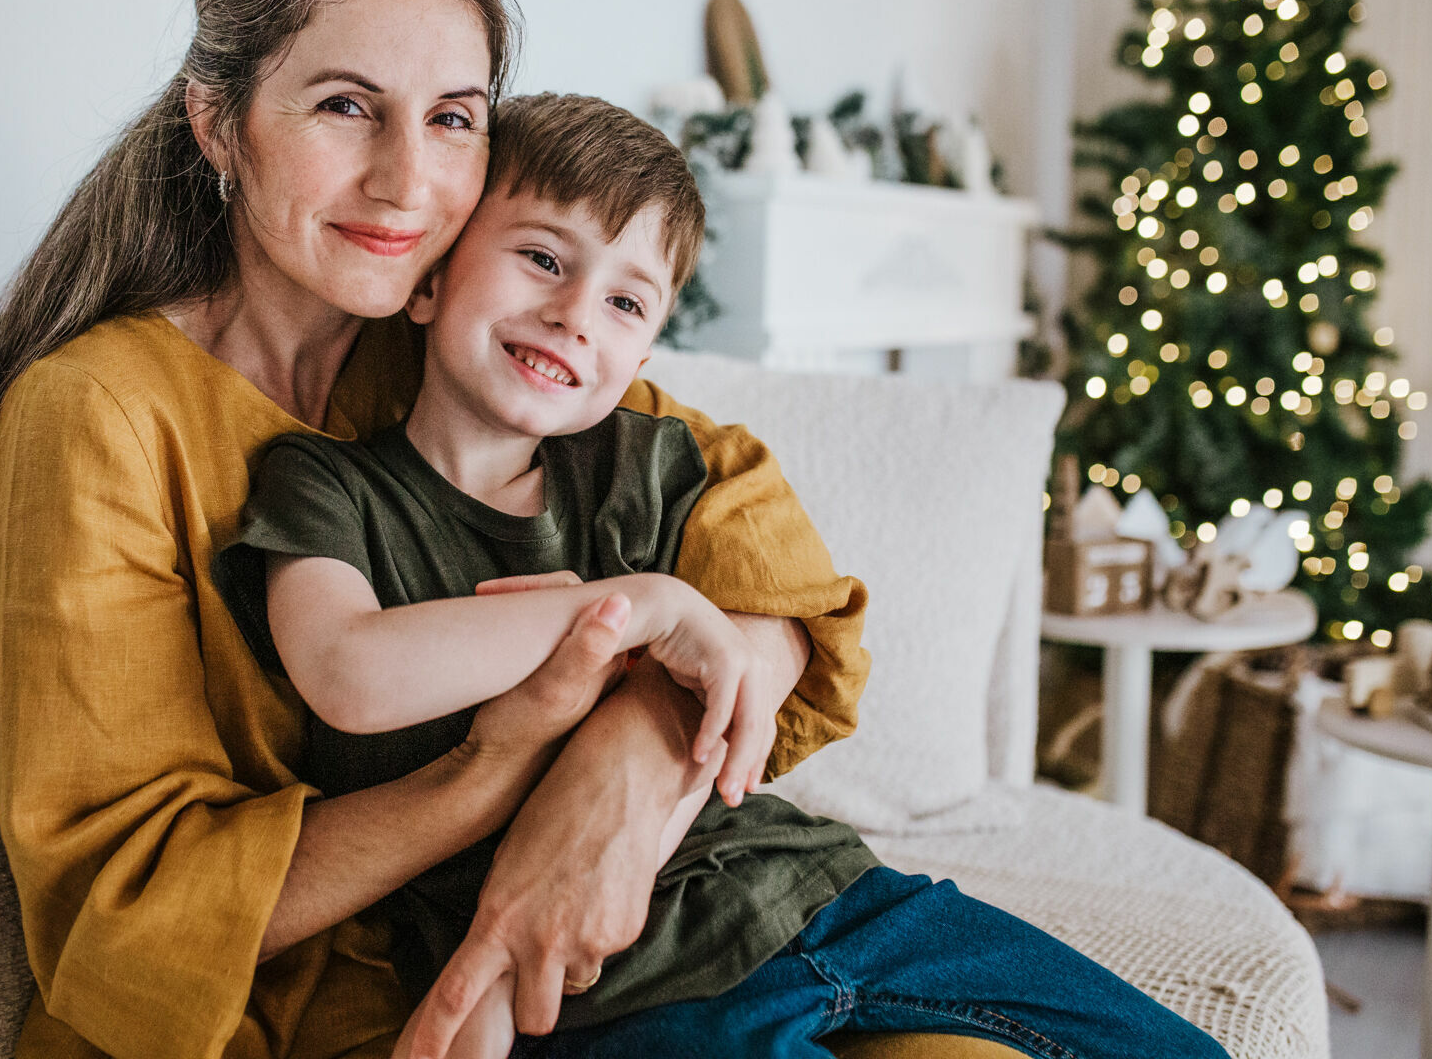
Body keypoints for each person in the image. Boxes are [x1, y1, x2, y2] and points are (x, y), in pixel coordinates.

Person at [0, 0, 881, 1057]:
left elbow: (743, 529)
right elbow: (125, 918)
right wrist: (498, 778)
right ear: (217, 120)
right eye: (343, 106)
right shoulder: (96, 416)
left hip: (571, 977)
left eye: (452, 118)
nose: (407, 184)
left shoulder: (441, 340)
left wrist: (625, 776)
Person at [220, 94, 1231, 1059]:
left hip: (817, 890)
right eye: (540, 258)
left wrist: (667, 623)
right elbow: (350, 673)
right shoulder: (327, 485)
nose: (577, 315)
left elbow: (716, 732)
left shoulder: (658, 470)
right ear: (434, 278)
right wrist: (643, 610)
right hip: (629, 997)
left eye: (626, 301)